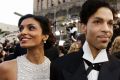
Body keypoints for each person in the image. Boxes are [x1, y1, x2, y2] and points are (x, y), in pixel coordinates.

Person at [50, 0, 120, 80]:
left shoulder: (118, 67)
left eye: (110, 23)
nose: (106, 29)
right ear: (84, 27)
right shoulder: (59, 66)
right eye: (97, 22)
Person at [0, 14, 56, 80]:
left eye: (31, 28)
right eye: (21, 29)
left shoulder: (55, 68)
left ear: (45, 36)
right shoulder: (5, 68)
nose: (22, 32)